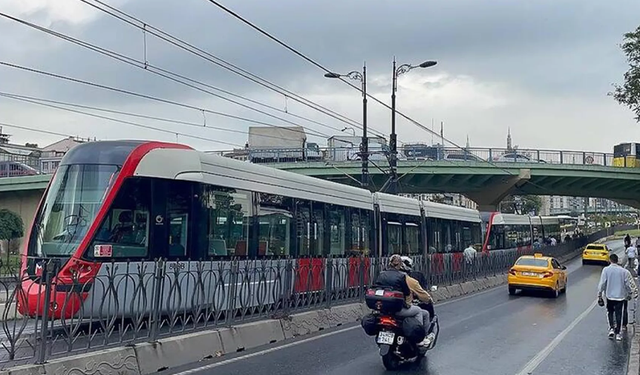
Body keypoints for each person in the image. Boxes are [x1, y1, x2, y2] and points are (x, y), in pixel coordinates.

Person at [374, 254, 430, 346]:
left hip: (384, 309)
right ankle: (419, 338)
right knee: (419, 311)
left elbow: (376, 287)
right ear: (400, 265)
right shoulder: (401, 277)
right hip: (398, 310)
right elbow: (407, 292)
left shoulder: (381, 274)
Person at [598, 253, 633, 341]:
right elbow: (627, 284)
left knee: (610, 312)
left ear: (610, 260)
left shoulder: (606, 270)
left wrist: (599, 294)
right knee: (618, 314)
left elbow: (602, 283)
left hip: (609, 296)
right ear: (617, 261)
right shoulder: (623, 271)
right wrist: (629, 293)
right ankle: (618, 333)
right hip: (620, 296)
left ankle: (611, 328)